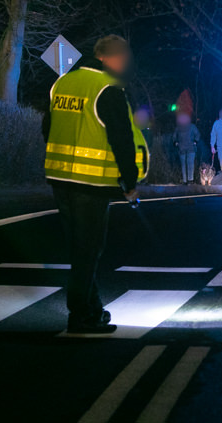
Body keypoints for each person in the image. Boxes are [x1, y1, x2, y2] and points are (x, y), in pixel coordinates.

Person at [42, 35, 149, 334]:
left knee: (79, 248)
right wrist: (129, 183)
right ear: (111, 59)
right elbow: (122, 140)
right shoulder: (109, 88)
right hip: (90, 182)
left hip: (60, 178)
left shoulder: (62, 83)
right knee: (88, 250)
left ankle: (92, 309)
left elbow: (46, 127)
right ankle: (80, 317)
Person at [172, 112, 200, 184]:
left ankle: (188, 180)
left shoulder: (189, 126)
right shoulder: (183, 127)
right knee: (186, 164)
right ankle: (188, 180)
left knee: (187, 164)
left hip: (187, 148)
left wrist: (195, 141)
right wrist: (175, 142)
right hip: (184, 148)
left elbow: (197, 135)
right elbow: (174, 136)